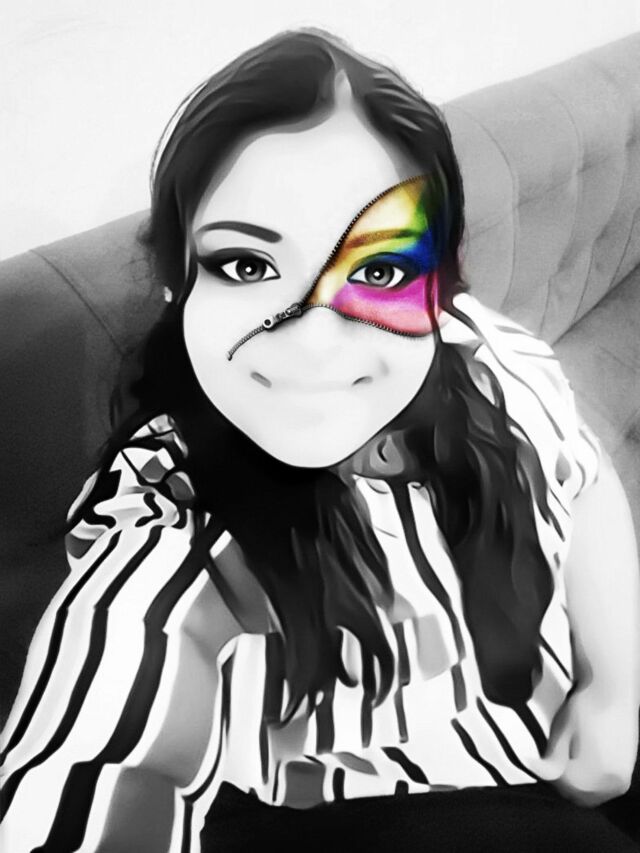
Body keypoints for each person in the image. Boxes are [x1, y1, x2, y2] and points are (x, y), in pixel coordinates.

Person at [1, 27, 639, 853]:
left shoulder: (484, 355)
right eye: (246, 265)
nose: (313, 342)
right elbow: (105, 752)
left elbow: (583, 475)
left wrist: (614, 689)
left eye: (378, 270)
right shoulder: (169, 514)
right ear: (175, 282)